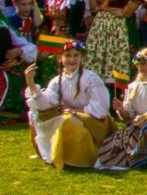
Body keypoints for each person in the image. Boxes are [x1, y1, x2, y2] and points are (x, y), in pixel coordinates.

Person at [25, 39, 111, 169]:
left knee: (67, 121)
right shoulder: (57, 80)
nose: (72, 59)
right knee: (35, 114)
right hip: (69, 115)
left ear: (81, 57)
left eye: (76, 55)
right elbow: (46, 102)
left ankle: (76, 159)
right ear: (60, 58)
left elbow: (101, 107)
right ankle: (50, 153)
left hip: (94, 120)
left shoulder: (91, 78)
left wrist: (77, 111)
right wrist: (31, 83)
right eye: (68, 55)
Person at [95, 48, 147, 170]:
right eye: (142, 64)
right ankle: (127, 155)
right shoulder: (133, 87)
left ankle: (138, 155)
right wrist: (121, 109)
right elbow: (128, 116)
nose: (146, 67)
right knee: (129, 130)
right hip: (137, 125)